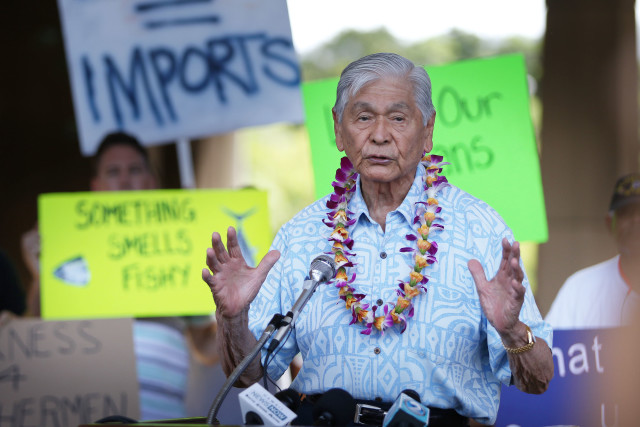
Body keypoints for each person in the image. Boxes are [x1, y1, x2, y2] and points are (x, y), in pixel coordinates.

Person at [202, 53, 553, 426]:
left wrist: (513, 331)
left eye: (398, 118)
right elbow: (246, 375)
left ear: (428, 130)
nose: (381, 135)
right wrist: (234, 318)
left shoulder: (480, 229)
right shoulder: (302, 234)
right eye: (364, 117)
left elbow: (539, 379)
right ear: (339, 129)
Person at [21, 131, 219, 421]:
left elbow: (207, 350)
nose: (125, 181)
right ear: (97, 187)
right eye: (114, 172)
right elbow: (36, 340)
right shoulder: (68, 252)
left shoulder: (180, 249)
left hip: (166, 419)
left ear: (151, 183)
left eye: (135, 170)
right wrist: (40, 274)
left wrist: (237, 313)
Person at [545, 173, 640, 329]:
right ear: (610, 224)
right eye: (627, 212)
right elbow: (553, 350)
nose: (637, 220)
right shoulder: (579, 289)